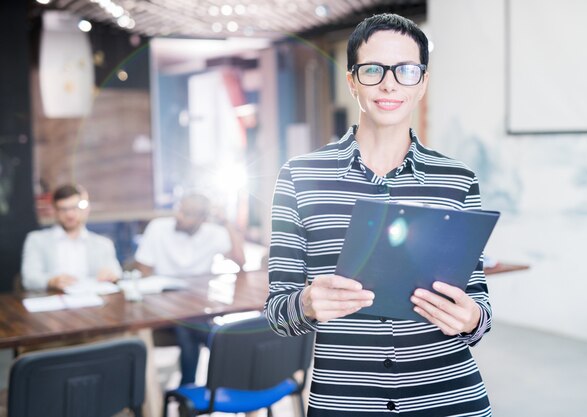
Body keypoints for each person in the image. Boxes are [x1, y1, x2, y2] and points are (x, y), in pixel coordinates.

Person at [265, 13, 492, 416]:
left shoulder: (458, 180)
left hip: (449, 398)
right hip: (345, 403)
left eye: (406, 70)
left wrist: (471, 318)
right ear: (352, 80)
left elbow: (479, 307)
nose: (389, 83)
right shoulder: (299, 177)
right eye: (373, 70)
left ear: (422, 82)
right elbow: (276, 311)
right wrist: (306, 305)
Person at [134, 192, 245, 385]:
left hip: (197, 305)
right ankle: (226, 354)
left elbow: (240, 260)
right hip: (163, 305)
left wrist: (226, 222)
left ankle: (188, 393)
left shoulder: (213, 233)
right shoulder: (158, 228)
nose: (179, 216)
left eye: (187, 213)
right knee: (190, 323)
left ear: (202, 219)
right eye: (180, 209)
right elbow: (143, 270)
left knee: (187, 328)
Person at [21, 184, 122, 291]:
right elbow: (29, 279)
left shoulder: (103, 244)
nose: (70, 214)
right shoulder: (36, 240)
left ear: (86, 209)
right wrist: (51, 281)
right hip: (54, 300)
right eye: (63, 209)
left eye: (74, 208)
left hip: (93, 301)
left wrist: (111, 275)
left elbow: (117, 273)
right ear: (55, 211)